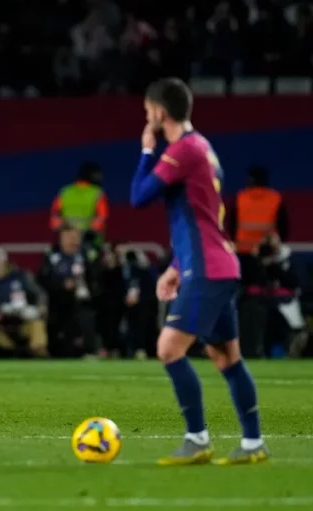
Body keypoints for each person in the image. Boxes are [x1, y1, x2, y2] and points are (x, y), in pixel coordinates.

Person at [130, 77, 268, 465]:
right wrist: (176, 266)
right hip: (215, 264)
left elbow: (139, 197)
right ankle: (254, 444)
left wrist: (146, 150)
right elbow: (204, 217)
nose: (146, 118)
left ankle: (197, 438)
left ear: (159, 112)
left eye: (147, 112)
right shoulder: (203, 148)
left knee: (168, 349)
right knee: (227, 358)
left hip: (207, 269)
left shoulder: (182, 150)